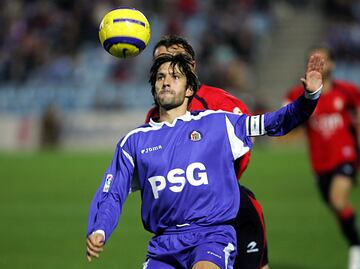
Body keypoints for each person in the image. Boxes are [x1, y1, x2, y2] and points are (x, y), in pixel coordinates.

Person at [86, 52, 323, 269]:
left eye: (175, 76)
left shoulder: (220, 123)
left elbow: (274, 123)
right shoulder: (134, 142)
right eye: (160, 77)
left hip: (211, 235)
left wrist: (309, 98)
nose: (166, 81)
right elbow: (112, 193)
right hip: (163, 245)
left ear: (190, 89)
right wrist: (100, 229)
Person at [145, 35, 268, 269]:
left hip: (231, 211)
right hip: (181, 226)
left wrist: (215, 188)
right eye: (161, 60)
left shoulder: (220, 103)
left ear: (192, 66)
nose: (168, 67)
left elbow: (243, 150)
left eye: (176, 59)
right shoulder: (154, 116)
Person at [284, 46, 360, 269]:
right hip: (319, 163)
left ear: (333, 64)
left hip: (345, 156)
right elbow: (287, 121)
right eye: (313, 60)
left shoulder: (347, 91)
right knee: (337, 208)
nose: (318, 64)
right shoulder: (298, 94)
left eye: (323, 60)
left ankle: (356, 246)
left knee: (338, 200)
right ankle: (354, 240)